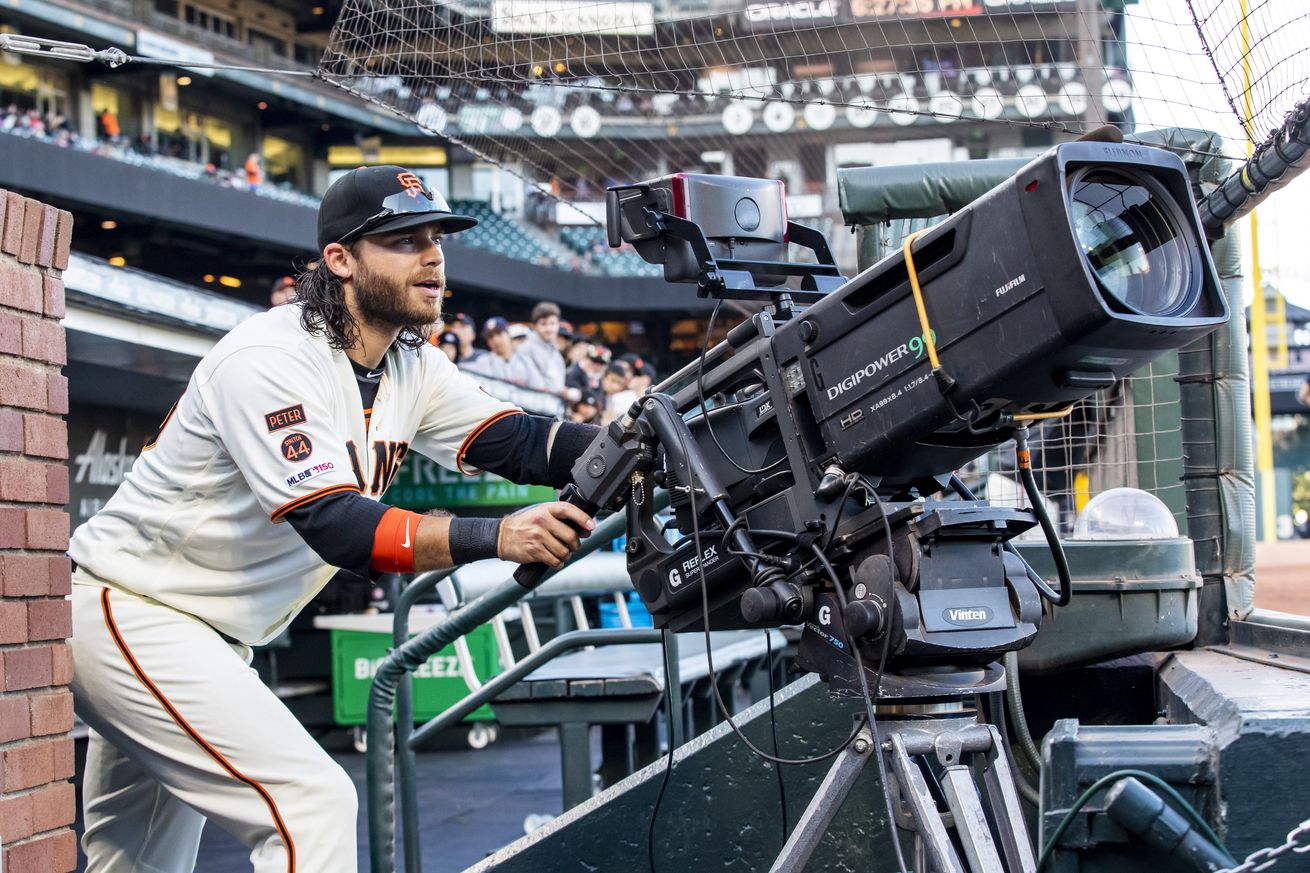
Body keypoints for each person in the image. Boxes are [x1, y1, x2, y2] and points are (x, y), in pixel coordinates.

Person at [68, 165, 601, 873]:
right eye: (404, 239)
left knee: (135, 864)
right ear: (341, 260)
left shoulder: (412, 365)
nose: (433, 254)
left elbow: (527, 443)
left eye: (437, 237)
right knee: (309, 803)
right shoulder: (270, 357)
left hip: (203, 633)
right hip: (131, 612)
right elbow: (339, 525)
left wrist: (648, 443)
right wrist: (495, 535)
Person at [462, 316, 535, 386]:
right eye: (490, 337)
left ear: (508, 334)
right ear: (488, 342)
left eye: (499, 334)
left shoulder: (525, 361)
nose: (496, 340)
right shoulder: (483, 361)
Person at [518, 301, 568, 395]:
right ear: (534, 326)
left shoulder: (556, 353)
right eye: (543, 324)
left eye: (552, 323)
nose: (549, 329)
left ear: (558, 325)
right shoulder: (526, 349)